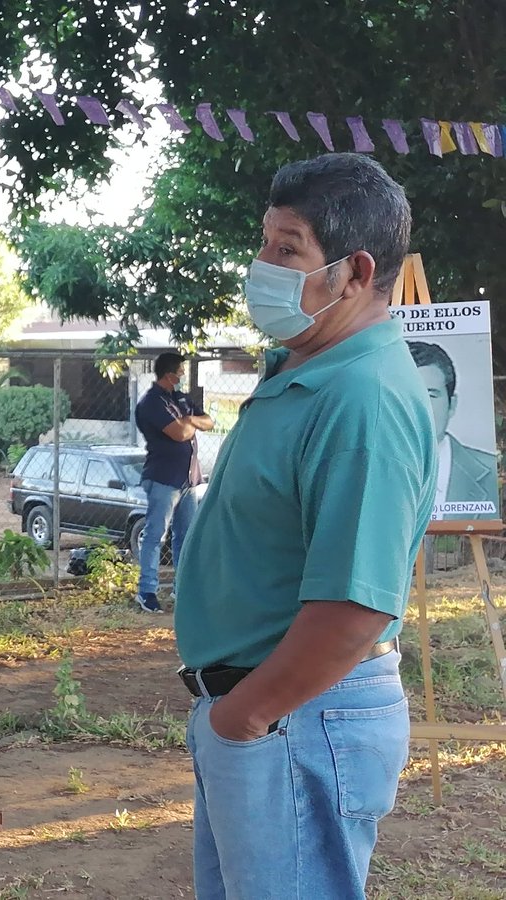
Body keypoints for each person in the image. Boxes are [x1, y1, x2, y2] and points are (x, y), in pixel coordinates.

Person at [174, 154, 436, 899]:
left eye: (286, 249)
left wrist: (244, 719)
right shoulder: (305, 367)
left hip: (297, 716)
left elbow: (356, 608)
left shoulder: (362, 399)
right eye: (264, 242)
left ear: (354, 273)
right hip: (272, 715)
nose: (261, 265)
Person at [133, 352, 214, 613]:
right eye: (179, 371)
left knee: (186, 536)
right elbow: (179, 434)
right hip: (163, 479)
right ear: (169, 374)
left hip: (188, 480)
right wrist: (189, 423)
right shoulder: (151, 403)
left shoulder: (180, 399)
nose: (182, 375)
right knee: (156, 536)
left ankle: (182, 589)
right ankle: (147, 591)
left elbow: (209, 422)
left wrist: (189, 419)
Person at [407, 340, 498, 519]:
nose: (418, 407)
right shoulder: (361, 472)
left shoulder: (489, 471)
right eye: (406, 394)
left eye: (430, 395)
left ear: (452, 404)